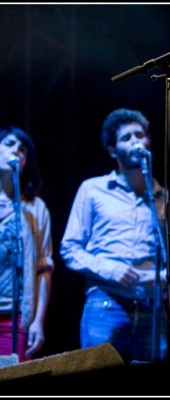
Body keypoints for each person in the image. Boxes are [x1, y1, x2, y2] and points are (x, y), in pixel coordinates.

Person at [60, 108, 170, 364]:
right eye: (127, 138)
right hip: (106, 304)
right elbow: (70, 248)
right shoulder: (92, 190)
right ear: (113, 150)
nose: (136, 141)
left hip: (152, 308)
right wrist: (110, 269)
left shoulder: (167, 199)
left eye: (140, 135)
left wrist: (164, 276)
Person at [0, 125, 54, 362]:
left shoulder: (35, 209)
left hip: (15, 318)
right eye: (10, 144)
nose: (17, 152)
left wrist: (38, 321)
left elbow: (44, 268)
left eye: (23, 150)